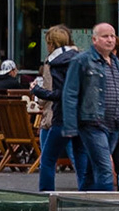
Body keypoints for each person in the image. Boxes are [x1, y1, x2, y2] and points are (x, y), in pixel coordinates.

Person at [59, 21, 119, 191]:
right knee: (105, 168)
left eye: (113, 36)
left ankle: (84, 205)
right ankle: (106, 210)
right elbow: (69, 93)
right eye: (105, 36)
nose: (110, 40)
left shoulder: (117, 63)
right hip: (92, 122)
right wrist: (70, 127)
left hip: (114, 124)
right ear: (94, 40)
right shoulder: (81, 61)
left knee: (92, 169)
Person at [31, 24, 81, 193]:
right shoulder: (80, 58)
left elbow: (55, 93)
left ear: (50, 43)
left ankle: (45, 194)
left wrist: (37, 91)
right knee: (79, 158)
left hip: (56, 116)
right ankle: (87, 191)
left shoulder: (53, 62)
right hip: (79, 116)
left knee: (47, 159)